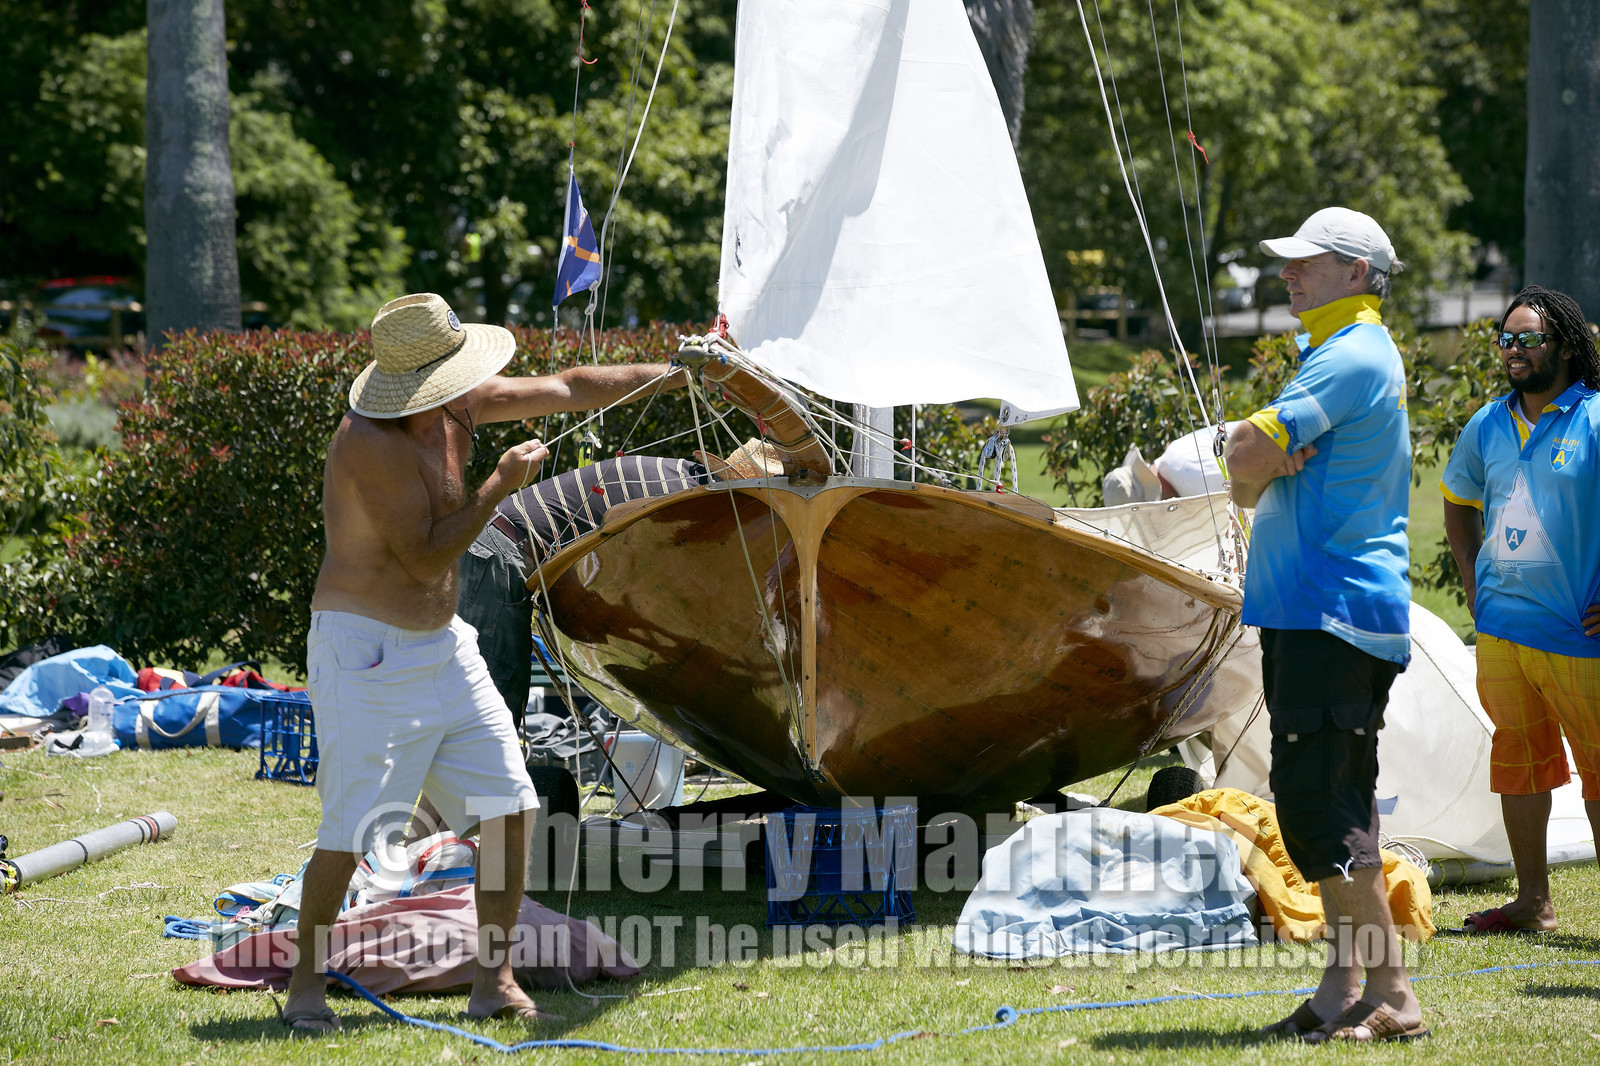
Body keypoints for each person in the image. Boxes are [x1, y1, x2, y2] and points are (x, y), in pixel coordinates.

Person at [280, 292, 683, 1031]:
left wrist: (682, 372)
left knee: (510, 805)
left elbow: (570, 386)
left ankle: (492, 981)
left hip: (443, 648)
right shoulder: (368, 442)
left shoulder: (458, 402)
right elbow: (426, 550)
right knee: (354, 830)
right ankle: (304, 986)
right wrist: (500, 486)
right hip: (364, 654)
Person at [1224, 207, 1426, 1043]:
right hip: (1320, 611)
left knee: (1321, 809)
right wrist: (1261, 461)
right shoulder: (1339, 353)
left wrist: (1261, 458)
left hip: (1328, 613)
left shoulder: (1350, 355)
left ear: (1357, 272)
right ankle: (1342, 988)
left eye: (1309, 261)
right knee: (1334, 802)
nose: (1289, 273)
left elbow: (1238, 460)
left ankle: (1394, 995)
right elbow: (1247, 471)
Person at [1440, 285, 1600, 934]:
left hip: (1578, 637)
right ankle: (1533, 903)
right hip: (1503, 634)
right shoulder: (1487, 423)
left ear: (1563, 345)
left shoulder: (1594, 418)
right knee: (1520, 762)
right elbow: (1456, 501)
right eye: (1506, 338)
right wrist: (1476, 590)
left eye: (1528, 338)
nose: (1513, 350)